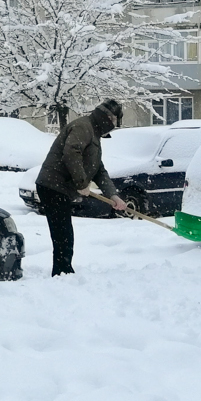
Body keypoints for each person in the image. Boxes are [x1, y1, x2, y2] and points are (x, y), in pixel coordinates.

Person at [35, 99, 128, 276]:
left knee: (64, 233)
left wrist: (113, 195)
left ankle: (63, 271)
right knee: (63, 233)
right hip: (52, 185)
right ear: (108, 117)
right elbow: (71, 152)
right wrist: (81, 183)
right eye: (116, 120)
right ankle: (62, 273)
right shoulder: (83, 127)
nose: (116, 125)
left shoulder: (93, 133)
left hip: (59, 187)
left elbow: (99, 169)